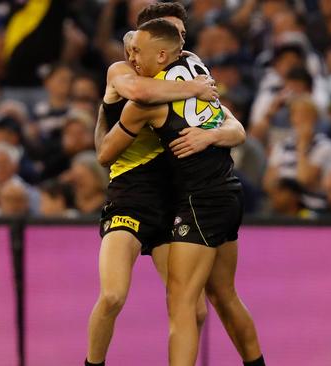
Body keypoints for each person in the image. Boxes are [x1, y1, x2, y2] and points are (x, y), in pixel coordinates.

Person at [86, 3, 246, 366]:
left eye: (183, 39)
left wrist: (211, 136)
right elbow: (139, 95)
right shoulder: (126, 71)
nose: (180, 49)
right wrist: (196, 86)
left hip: (173, 198)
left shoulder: (187, 73)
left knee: (195, 310)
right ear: (140, 42)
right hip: (129, 195)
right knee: (112, 296)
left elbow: (236, 127)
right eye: (169, 39)